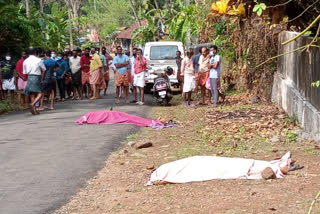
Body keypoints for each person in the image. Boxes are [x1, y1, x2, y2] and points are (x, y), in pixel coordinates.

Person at [23, 47, 46, 115]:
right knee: (40, 92)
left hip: (29, 77)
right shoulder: (38, 60)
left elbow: (24, 72)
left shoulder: (25, 61)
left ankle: (34, 110)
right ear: (35, 52)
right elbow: (44, 69)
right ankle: (32, 104)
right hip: (36, 76)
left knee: (32, 94)